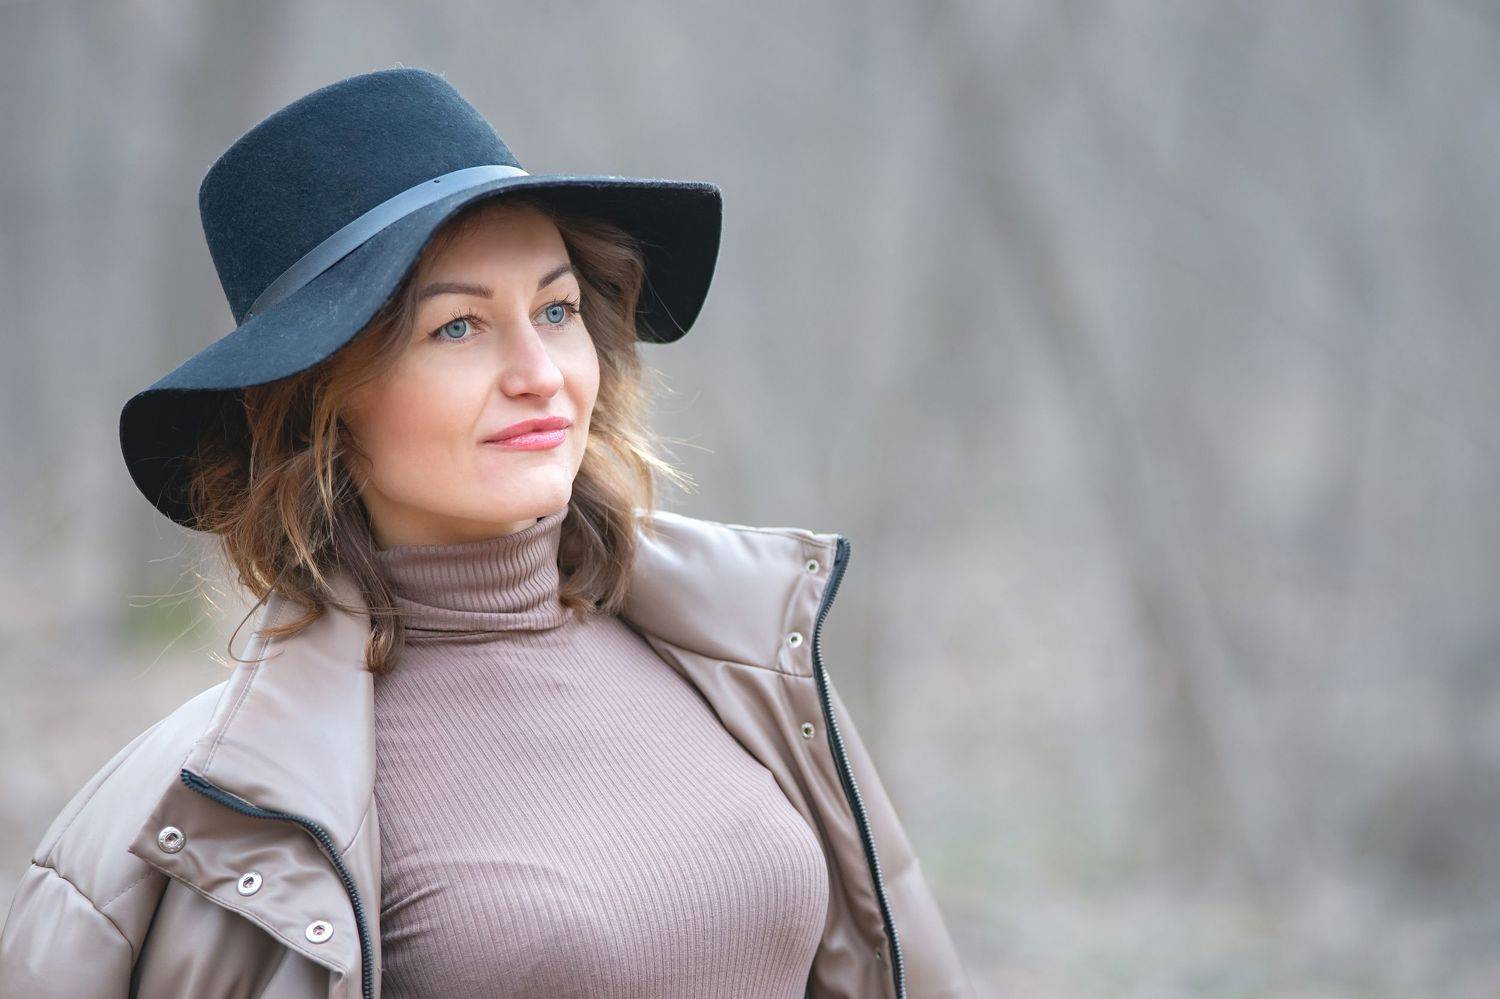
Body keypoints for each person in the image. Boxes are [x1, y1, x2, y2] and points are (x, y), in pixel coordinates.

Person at [0, 67, 973, 998]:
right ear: (319, 402)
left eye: (556, 309)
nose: (540, 373)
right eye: (458, 328)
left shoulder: (749, 653)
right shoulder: (203, 812)